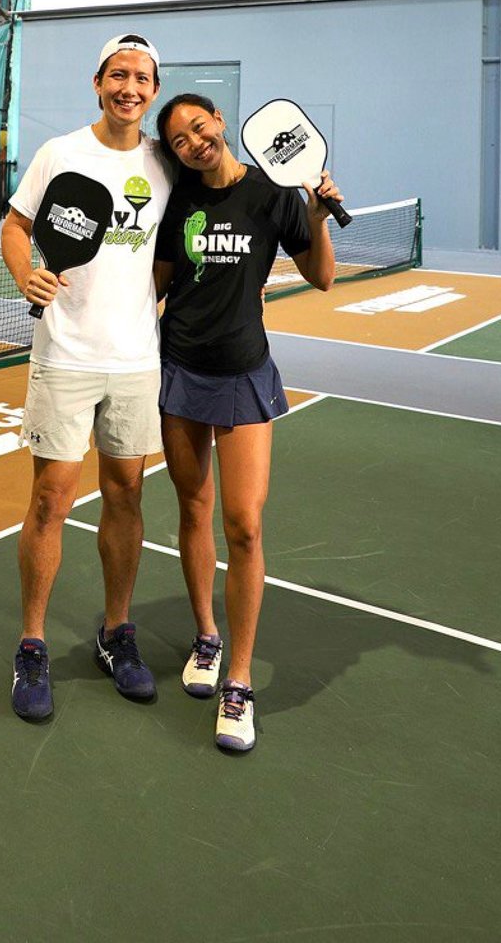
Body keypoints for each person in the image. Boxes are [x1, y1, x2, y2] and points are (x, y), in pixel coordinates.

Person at [152, 93, 341, 754]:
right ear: (174, 152)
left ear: (220, 124)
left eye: (200, 127)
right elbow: (157, 283)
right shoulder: (178, 203)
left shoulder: (272, 192)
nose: (195, 141)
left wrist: (316, 218)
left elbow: (321, 277)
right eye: (179, 139)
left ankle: (239, 680)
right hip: (180, 370)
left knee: (246, 525)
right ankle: (207, 636)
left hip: (243, 373)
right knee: (193, 505)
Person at [1, 34, 172, 722]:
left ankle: (116, 633)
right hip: (65, 353)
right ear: (97, 82)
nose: (130, 87)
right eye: (118, 75)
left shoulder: (167, 164)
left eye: (142, 77)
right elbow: (15, 227)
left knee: (126, 494)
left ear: (155, 90)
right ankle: (32, 645)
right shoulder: (61, 154)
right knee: (51, 498)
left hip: (136, 358)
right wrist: (26, 271)